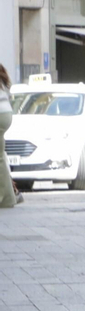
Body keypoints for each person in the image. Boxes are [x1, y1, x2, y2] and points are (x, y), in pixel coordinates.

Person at [0, 63, 16, 208]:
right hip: (6, 115)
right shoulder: (3, 80)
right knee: (1, 157)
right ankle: (10, 196)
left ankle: (6, 198)